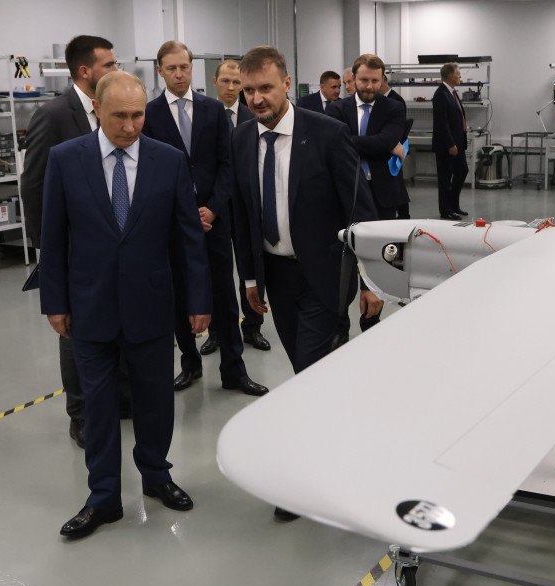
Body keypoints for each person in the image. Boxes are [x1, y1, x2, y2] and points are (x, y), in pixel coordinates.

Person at [39, 71, 212, 539]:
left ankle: (157, 476)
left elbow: (188, 238)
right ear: (96, 110)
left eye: (138, 115)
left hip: (152, 306)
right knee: (98, 407)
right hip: (88, 308)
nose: (131, 126)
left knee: (155, 401)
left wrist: (199, 299)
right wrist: (54, 301)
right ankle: (103, 498)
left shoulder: (168, 161)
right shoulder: (66, 160)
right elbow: (52, 237)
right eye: (120, 116)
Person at [233, 46, 382, 522]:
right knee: (306, 365)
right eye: (249, 90)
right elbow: (243, 216)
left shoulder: (328, 134)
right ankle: (345, 442)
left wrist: (371, 280)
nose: (257, 99)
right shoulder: (240, 141)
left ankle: (304, 479)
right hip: (276, 275)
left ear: (286, 83)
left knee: (309, 373)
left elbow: (360, 210)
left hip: (325, 272)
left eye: (265, 88)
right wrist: (251, 279)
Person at [143, 41, 267, 397]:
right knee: (179, 296)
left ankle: (234, 369)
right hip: (173, 226)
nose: (179, 74)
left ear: (192, 67)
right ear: (160, 71)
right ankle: (190, 364)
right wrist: (183, 215)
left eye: (184, 66)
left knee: (224, 297)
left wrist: (212, 207)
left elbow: (227, 165)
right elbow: (151, 174)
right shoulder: (150, 115)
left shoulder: (214, 110)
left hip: (214, 219)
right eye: (172, 68)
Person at [21, 35, 121, 449]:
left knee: (116, 322)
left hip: (115, 243)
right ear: (85, 71)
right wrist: (50, 249)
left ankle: (121, 399)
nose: (116, 69)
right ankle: (80, 413)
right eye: (109, 64)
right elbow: (34, 186)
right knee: (75, 333)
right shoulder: (54, 115)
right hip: (73, 250)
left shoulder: (112, 111)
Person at [204, 59, 270, 355]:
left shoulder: (253, 116)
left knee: (250, 265)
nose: (231, 88)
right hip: (216, 206)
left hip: (246, 203)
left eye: (236, 82)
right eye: (225, 81)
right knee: (216, 272)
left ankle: (253, 325)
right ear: (215, 81)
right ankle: (217, 331)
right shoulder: (204, 115)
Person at [328, 54, 408, 221]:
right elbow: (334, 145)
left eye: (375, 81)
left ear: (382, 80)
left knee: (384, 243)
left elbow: (386, 140)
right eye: (364, 80)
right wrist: (384, 145)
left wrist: (385, 143)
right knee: (348, 242)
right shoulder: (337, 109)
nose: (370, 86)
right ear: (354, 79)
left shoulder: (394, 108)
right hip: (347, 188)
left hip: (384, 193)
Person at [432, 62, 469, 220]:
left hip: (458, 143)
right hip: (447, 145)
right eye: (458, 73)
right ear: (450, 75)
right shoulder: (440, 94)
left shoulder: (452, 93)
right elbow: (442, 122)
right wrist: (450, 144)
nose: (460, 76)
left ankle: (454, 205)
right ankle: (446, 210)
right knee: (445, 178)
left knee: (462, 170)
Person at [380, 72, 411, 220]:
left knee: (396, 184)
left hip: (394, 148)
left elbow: (397, 129)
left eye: (375, 80)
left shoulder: (396, 100)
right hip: (386, 148)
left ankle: (404, 215)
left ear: (384, 80)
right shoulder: (377, 100)